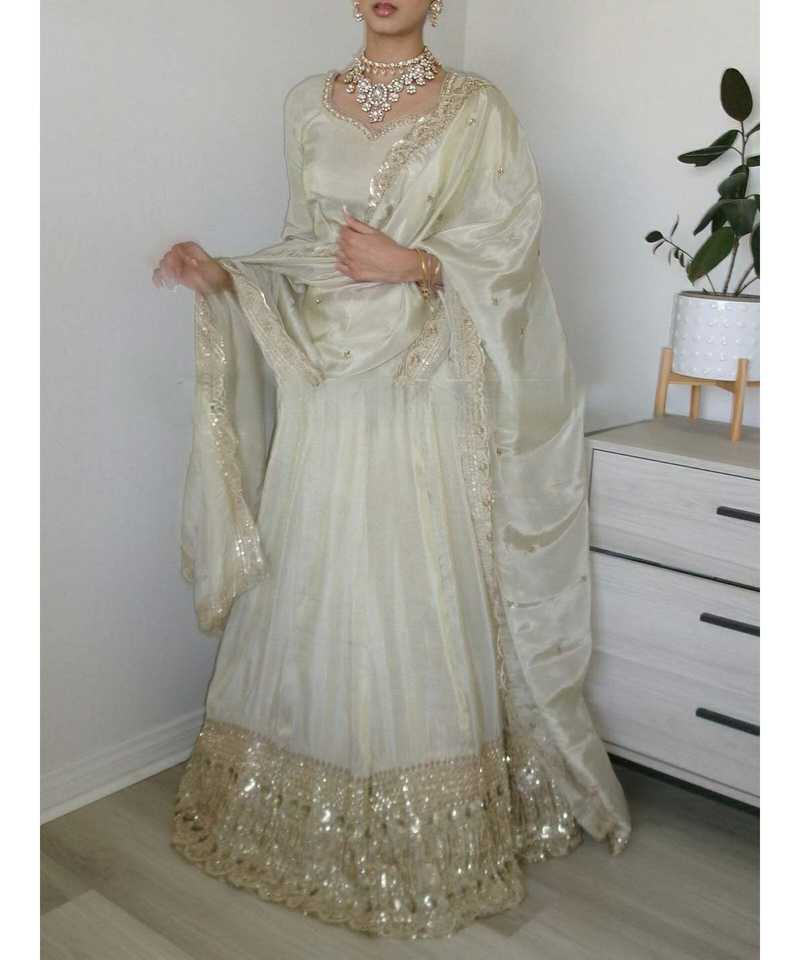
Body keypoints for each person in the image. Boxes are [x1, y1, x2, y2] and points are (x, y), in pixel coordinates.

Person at [152, 0, 631, 940]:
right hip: (328, 382)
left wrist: (416, 263)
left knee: (412, 583)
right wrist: (225, 278)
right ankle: (300, 806)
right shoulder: (306, 104)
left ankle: (425, 825)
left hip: (423, 376)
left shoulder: (477, 108)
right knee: (320, 578)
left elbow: (511, 251)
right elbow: (305, 248)